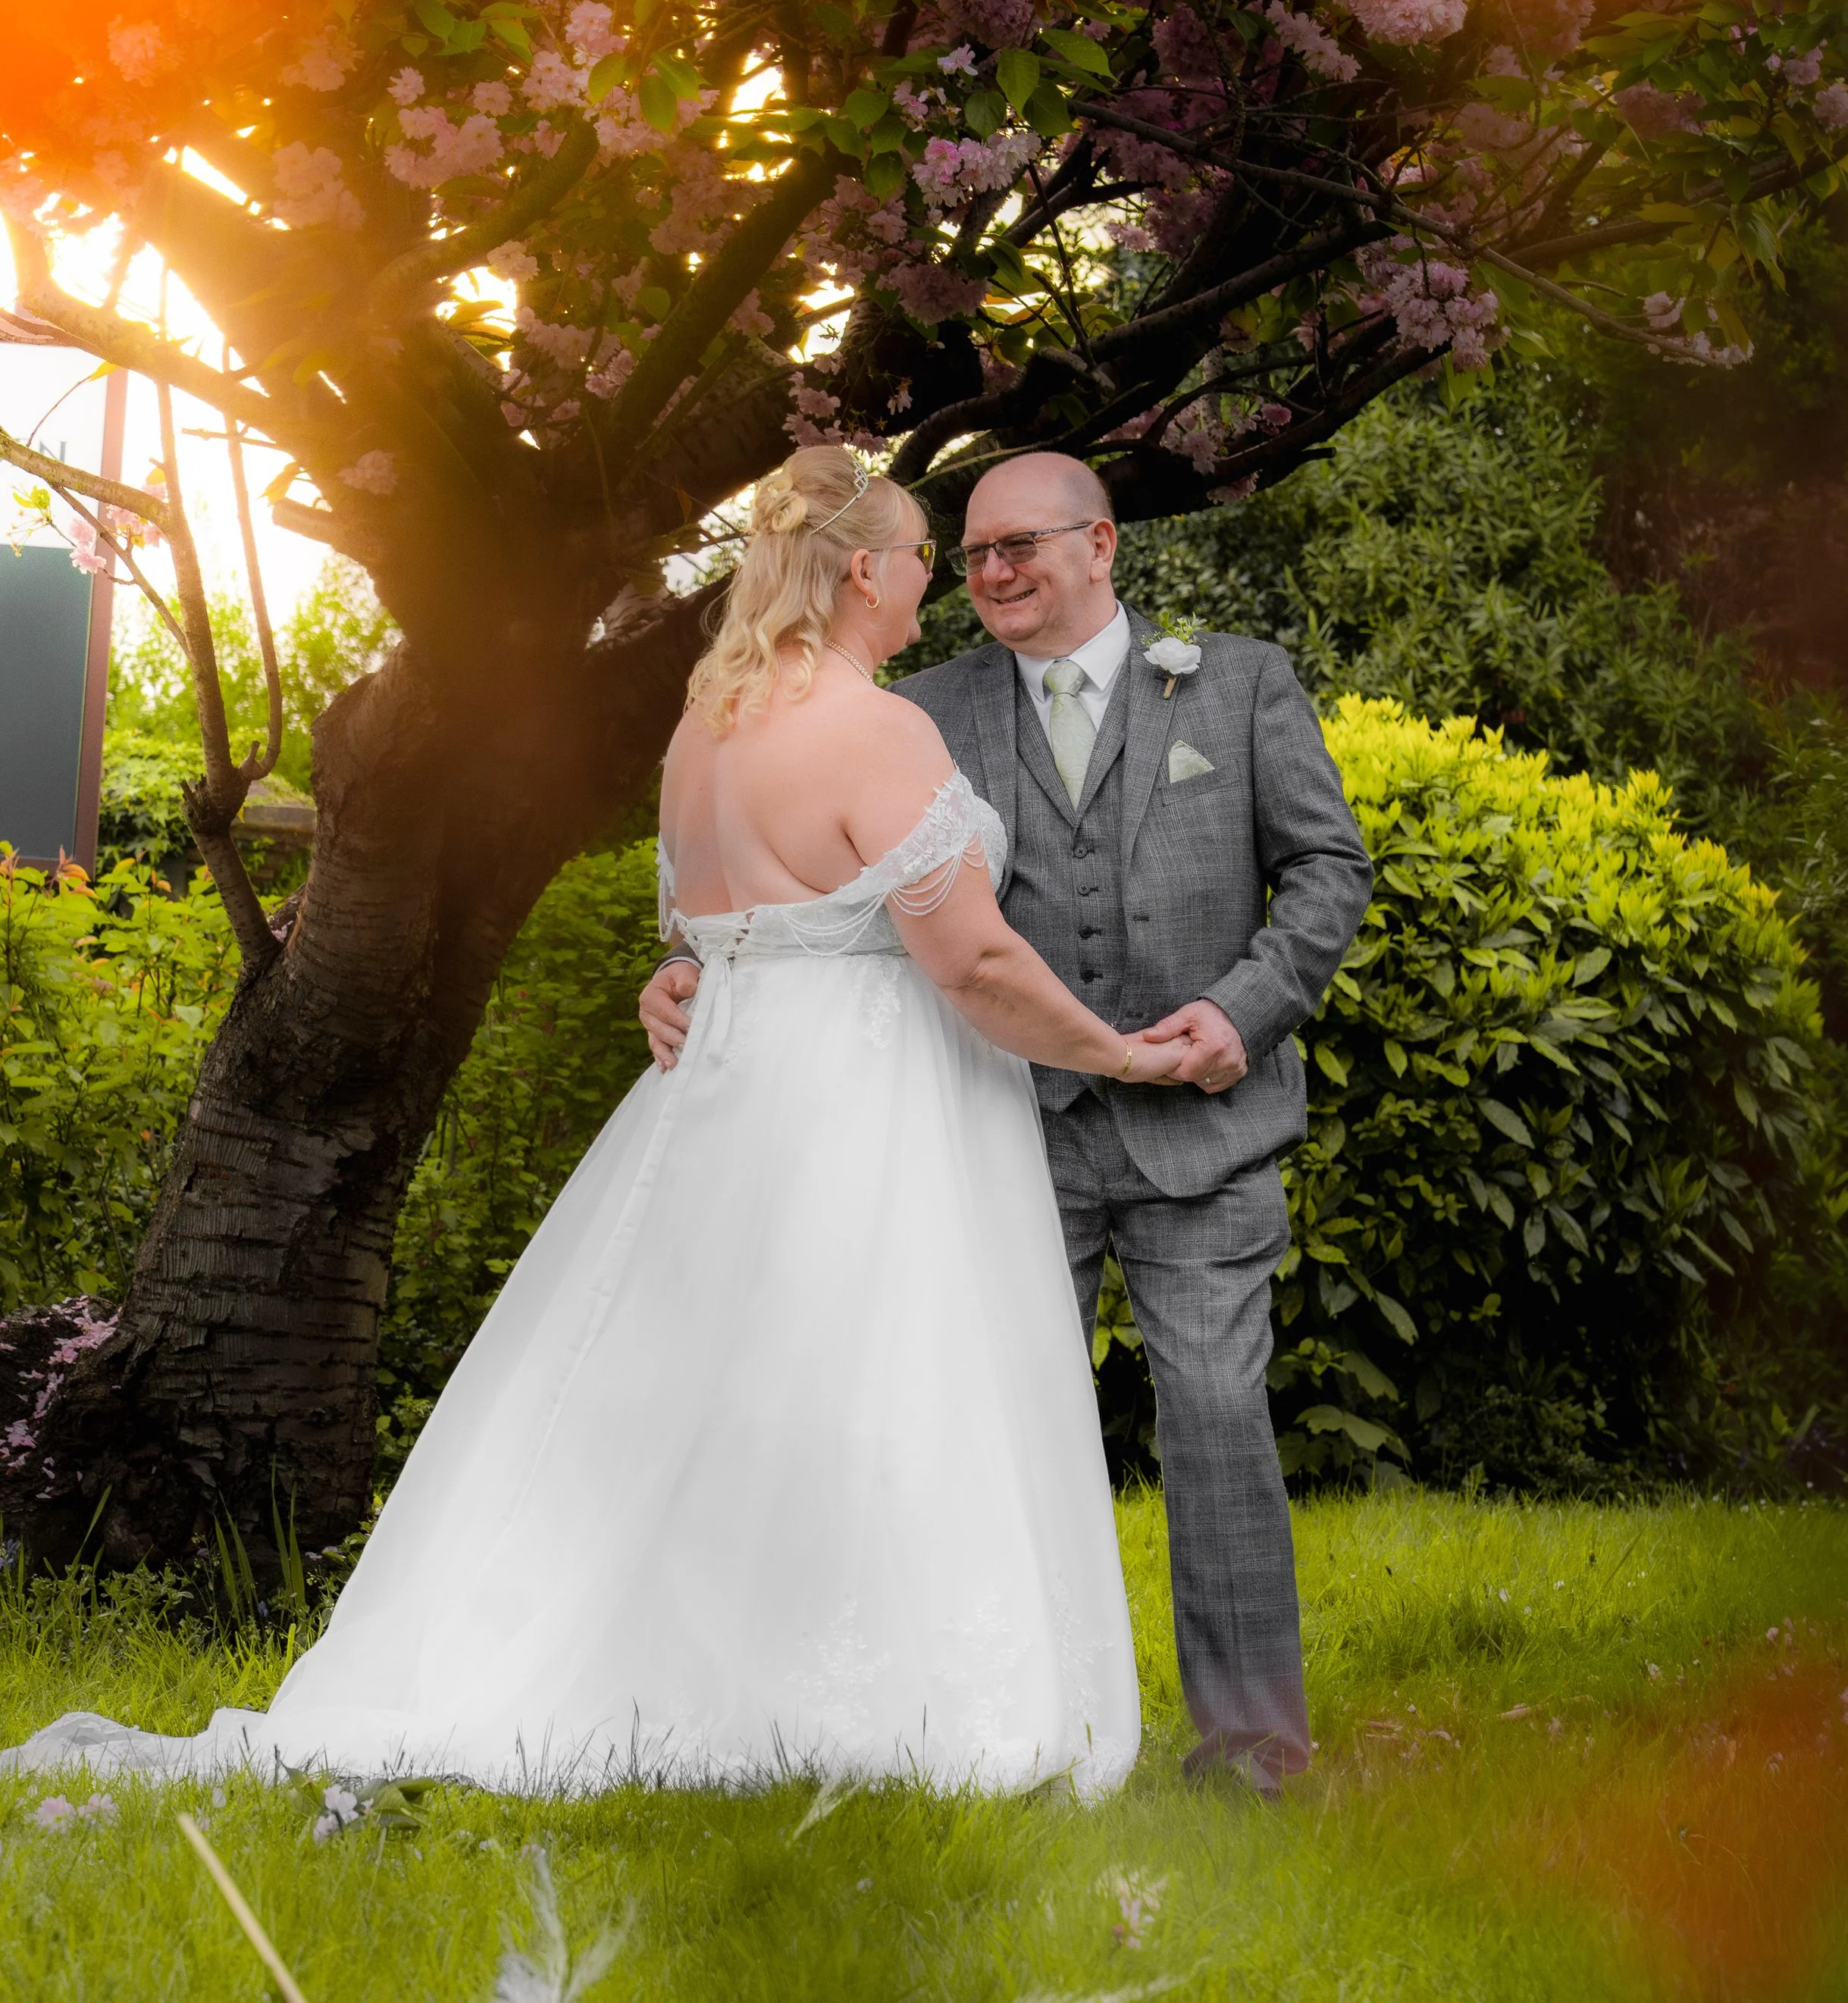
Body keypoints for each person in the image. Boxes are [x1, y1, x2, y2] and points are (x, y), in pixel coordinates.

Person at [2, 444, 1180, 1798]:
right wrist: (1121, 1055)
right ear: (863, 572)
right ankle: (848, 1694)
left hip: (727, 1090)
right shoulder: (877, 726)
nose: (939, 581)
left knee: (690, 1389)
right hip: (865, 1102)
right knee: (870, 1380)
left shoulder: (705, 732)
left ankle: (668, 1662)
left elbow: (706, 932)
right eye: (923, 555)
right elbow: (969, 964)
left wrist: (682, 976)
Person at [647, 449, 1373, 1795]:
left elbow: (1330, 868)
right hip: (993, 1134)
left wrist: (1246, 1011)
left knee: (1216, 1415)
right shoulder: (906, 703)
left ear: (1102, 544)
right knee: (978, 1428)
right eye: (970, 553)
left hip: (1202, 1129)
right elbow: (773, 876)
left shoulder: (1242, 682)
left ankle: (1253, 1752)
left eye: (1020, 547)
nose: (991, 574)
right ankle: (996, 1712)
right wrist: (687, 963)